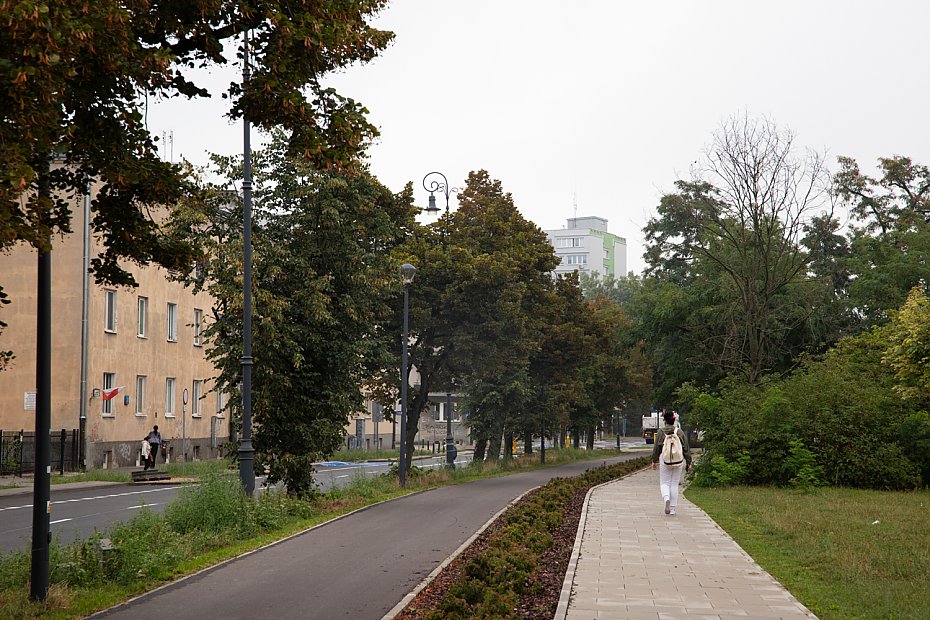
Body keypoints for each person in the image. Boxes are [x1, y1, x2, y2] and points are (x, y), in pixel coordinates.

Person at [651, 410, 692, 515]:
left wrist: (654, 461)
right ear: (674, 421)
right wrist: (689, 462)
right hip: (678, 461)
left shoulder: (661, 432)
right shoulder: (679, 432)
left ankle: (666, 499)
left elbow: (657, 448)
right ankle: (673, 509)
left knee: (665, 482)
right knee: (674, 483)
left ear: (665, 421)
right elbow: (686, 448)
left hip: (665, 461)